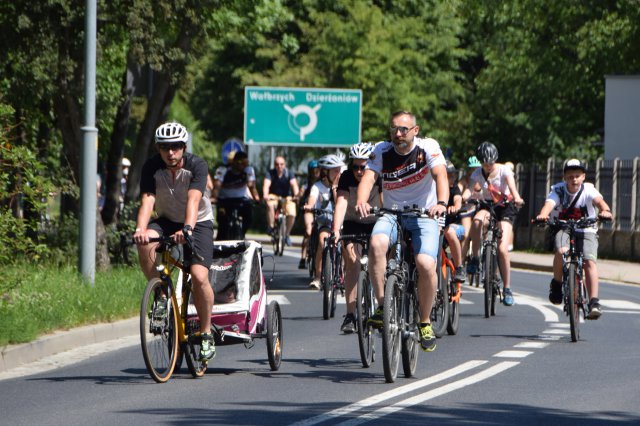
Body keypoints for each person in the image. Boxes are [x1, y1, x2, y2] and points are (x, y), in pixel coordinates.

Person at [355, 111, 449, 352]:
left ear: (415, 131)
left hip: (424, 215)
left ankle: (425, 322)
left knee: (425, 263)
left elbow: (440, 175)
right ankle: (382, 306)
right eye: (394, 129)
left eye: (403, 130)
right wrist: (362, 200)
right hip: (392, 213)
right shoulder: (382, 150)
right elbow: (368, 177)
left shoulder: (428, 147)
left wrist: (441, 203)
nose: (398, 134)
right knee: (376, 245)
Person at [133, 122, 216, 361]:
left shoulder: (197, 165)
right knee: (145, 241)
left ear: (184, 146)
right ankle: (160, 293)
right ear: (158, 149)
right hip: (168, 219)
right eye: (165, 147)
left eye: (176, 147)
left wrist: (187, 228)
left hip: (197, 223)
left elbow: (193, 200)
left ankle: (206, 332)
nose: (171, 152)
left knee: (199, 276)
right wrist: (140, 228)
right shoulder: (151, 167)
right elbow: (148, 201)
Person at [535, 159, 612, 319]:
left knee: (589, 262)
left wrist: (605, 211)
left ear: (583, 176)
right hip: (563, 227)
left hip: (587, 228)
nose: (574, 179)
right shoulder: (558, 190)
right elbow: (549, 204)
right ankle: (557, 284)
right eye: (570, 176)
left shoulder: (589, 190)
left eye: (577, 176)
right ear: (565, 178)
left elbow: (600, 203)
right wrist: (543, 215)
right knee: (561, 251)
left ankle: (594, 302)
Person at [332, 142, 383, 333]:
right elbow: (341, 203)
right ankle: (350, 314)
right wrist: (336, 229)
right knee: (352, 262)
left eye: (363, 167)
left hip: (376, 222)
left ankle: (382, 307)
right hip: (353, 222)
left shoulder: (378, 175)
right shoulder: (345, 177)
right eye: (355, 167)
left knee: (380, 260)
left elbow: (385, 200)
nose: (359, 171)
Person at [467, 141, 524, 306]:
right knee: (477, 221)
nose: (488, 166)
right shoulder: (477, 174)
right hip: (487, 206)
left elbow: (513, 188)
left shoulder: (504, 171)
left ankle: (507, 288)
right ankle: (475, 258)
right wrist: (464, 197)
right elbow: (470, 189)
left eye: (490, 163)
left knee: (502, 249)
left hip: (505, 208)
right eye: (485, 163)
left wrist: (518, 198)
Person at [304, 154, 345, 289]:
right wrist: (309, 206)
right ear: (326, 172)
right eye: (334, 170)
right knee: (322, 241)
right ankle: (317, 277)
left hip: (342, 224)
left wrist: (334, 188)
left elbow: (340, 203)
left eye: (339, 170)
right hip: (326, 223)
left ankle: (344, 274)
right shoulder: (317, 186)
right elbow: (312, 199)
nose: (338, 173)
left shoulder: (343, 186)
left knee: (348, 246)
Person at [211, 151, 260, 240]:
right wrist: (214, 198)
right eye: (241, 163)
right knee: (222, 221)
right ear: (234, 162)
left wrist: (256, 198)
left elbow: (252, 187)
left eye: (246, 163)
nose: (243, 166)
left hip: (241, 199)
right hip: (225, 199)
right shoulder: (223, 170)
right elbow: (217, 186)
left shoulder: (248, 170)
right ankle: (221, 241)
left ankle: (241, 233)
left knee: (249, 216)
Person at [263, 156, 299, 246]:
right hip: (273, 195)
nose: (279, 166)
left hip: (287, 197)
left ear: (284, 165)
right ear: (274, 165)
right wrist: (265, 195)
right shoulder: (270, 173)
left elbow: (294, 185)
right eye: (277, 164)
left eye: (281, 164)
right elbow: (266, 185)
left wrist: (296, 196)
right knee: (270, 205)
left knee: (292, 213)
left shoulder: (289, 173)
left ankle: (287, 235)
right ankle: (271, 226)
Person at [443, 161, 467, 284]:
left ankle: (459, 268)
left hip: (454, 226)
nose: (452, 179)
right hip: (436, 227)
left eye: (453, 176)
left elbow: (458, 200)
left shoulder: (454, 189)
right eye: (448, 176)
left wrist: (455, 207)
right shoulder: (432, 189)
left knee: (450, 232)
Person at [298, 160, 321, 269]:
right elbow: (300, 193)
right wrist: (298, 197)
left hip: (322, 211)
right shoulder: (306, 184)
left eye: (317, 170)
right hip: (309, 210)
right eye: (313, 170)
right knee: (308, 230)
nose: (315, 173)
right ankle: (303, 257)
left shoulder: (324, 183)